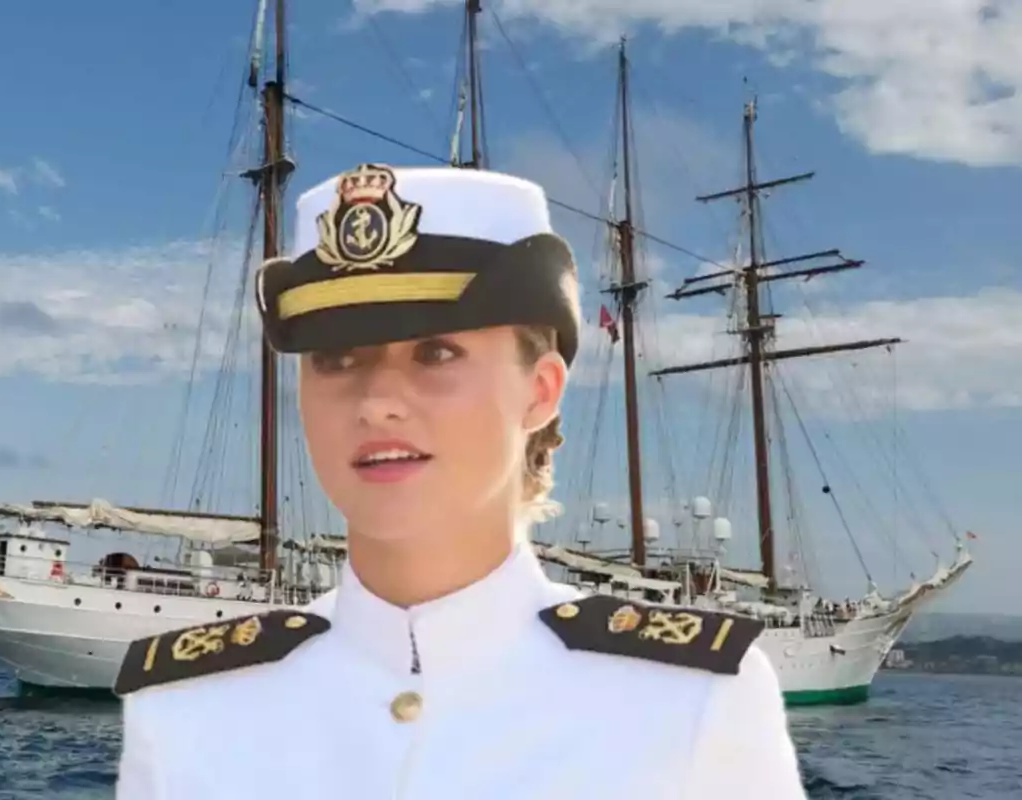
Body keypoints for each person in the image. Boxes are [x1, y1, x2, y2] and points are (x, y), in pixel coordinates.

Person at [113, 163, 807, 798]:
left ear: (540, 391)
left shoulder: (695, 701)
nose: (378, 400)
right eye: (335, 359)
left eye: (436, 351)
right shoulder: (181, 709)